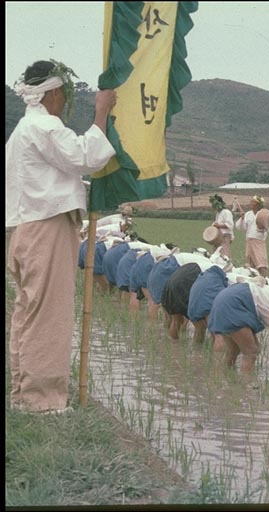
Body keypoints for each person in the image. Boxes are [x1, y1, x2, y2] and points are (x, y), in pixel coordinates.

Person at [6, 59, 116, 414]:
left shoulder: (24, 131)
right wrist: (101, 113)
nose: (64, 102)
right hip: (46, 228)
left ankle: (26, 395)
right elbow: (86, 156)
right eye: (63, 94)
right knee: (49, 315)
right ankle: (42, 402)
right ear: (52, 93)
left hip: (29, 229)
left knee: (30, 312)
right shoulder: (43, 126)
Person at [208, 277, 269, 373]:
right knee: (251, 352)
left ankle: (222, 379)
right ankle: (245, 386)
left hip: (225, 298)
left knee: (233, 350)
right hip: (232, 303)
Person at [235, 195, 269, 277]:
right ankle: (255, 281)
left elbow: (267, 228)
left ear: (258, 204)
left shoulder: (264, 214)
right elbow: (241, 227)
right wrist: (242, 218)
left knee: (262, 264)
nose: (250, 203)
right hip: (249, 241)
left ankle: (265, 281)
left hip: (258, 241)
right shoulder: (248, 214)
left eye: (253, 202)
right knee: (250, 265)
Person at [209, 194, 234, 258]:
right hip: (217, 236)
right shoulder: (218, 213)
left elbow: (230, 224)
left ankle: (225, 266)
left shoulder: (226, 212)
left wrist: (218, 225)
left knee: (224, 253)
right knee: (215, 254)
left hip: (225, 236)